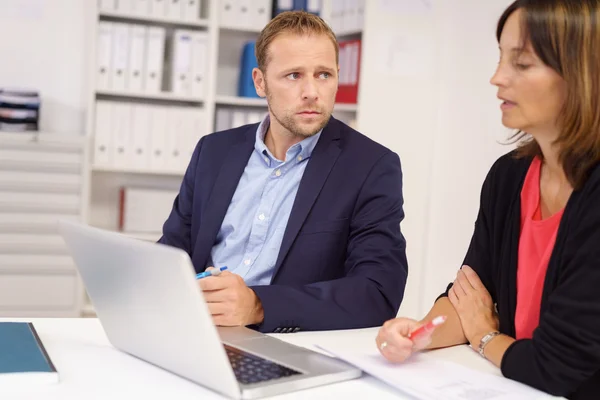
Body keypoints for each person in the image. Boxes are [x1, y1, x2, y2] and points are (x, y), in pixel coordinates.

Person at [375, 0, 600, 398]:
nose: (497, 78)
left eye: (523, 63)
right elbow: (472, 294)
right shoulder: (508, 176)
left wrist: (485, 336)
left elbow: (558, 367)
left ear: (582, 73)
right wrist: (421, 334)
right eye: (501, 59)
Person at [159, 11, 408, 334]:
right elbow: (172, 253)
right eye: (293, 76)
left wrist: (258, 305)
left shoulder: (371, 166)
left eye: (323, 75)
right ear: (260, 83)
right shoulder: (214, 152)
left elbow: (376, 293)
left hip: (286, 343)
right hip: (195, 329)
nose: (311, 92)